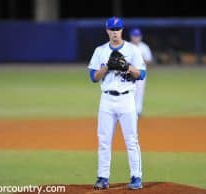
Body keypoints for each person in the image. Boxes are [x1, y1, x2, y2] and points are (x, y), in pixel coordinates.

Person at [88, 17, 146, 190]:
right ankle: (102, 177)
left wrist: (126, 67)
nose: (115, 32)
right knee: (104, 141)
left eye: (118, 29)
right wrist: (106, 67)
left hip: (127, 99)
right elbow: (93, 77)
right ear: (107, 31)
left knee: (131, 140)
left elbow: (141, 74)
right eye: (112, 29)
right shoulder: (100, 51)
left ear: (122, 30)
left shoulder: (132, 50)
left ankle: (136, 177)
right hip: (106, 100)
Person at [129, 28, 153, 116]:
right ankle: (129, 111)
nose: (136, 38)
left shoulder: (144, 47)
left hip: (141, 73)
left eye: (138, 36)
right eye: (134, 36)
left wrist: (140, 61)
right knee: (129, 91)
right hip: (129, 73)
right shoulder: (127, 46)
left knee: (139, 92)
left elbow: (149, 60)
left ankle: (138, 111)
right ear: (131, 36)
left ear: (140, 37)